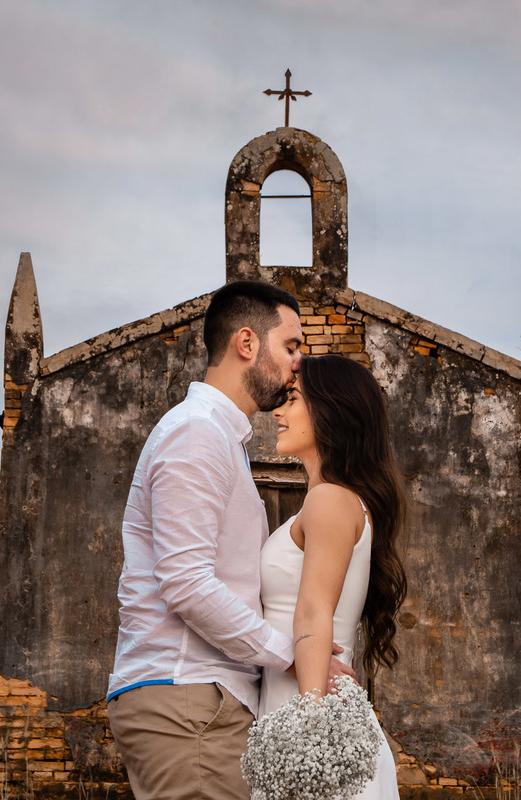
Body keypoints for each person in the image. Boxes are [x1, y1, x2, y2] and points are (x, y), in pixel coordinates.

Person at [106, 280, 353, 799]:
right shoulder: (196, 434)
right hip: (188, 700)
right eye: (290, 347)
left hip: (203, 703)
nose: (296, 365)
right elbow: (186, 583)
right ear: (247, 344)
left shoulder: (221, 439)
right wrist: (291, 653)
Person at [259, 354, 408, 799]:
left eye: (294, 400)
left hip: (312, 717)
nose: (279, 413)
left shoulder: (329, 500)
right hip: (313, 711)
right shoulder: (338, 501)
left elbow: (312, 610)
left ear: (331, 413)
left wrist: (309, 730)